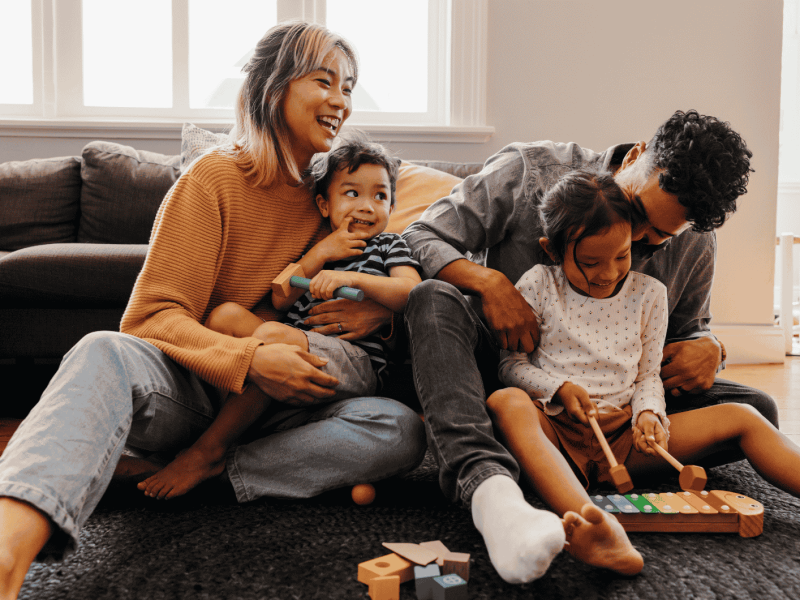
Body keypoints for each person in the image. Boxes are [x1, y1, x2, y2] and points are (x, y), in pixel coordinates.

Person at [0, 21, 427, 600]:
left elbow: (396, 271)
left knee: (399, 430)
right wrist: (249, 358)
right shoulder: (213, 180)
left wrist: (384, 315)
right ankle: (9, 545)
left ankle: (197, 469)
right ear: (274, 87)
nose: (341, 101)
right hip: (197, 388)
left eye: (349, 87)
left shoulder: (336, 198)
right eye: (325, 81)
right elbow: (149, 317)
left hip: (287, 409)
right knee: (103, 350)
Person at [401, 110, 772, 584]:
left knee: (756, 408)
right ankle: (488, 485)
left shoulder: (695, 238)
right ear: (637, 156)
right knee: (432, 298)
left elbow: (685, 335)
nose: (634, 244)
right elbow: (419, 235)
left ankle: (581, 464)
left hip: (615, 403)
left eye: (656, 240)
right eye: (637, 214)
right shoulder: (528, 171)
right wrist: (490, 283)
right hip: (501, 376)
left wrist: (710, 347)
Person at [487, 167, 800, 577]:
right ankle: (592, 523)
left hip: (624, 438)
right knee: (505, 402)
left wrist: (649, 414)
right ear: (552, 250)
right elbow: (512, 366)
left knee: (745, 415)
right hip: (556, 431)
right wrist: (560, 388)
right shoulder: (539, 284)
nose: (608, 273)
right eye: (589, 262)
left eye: (621, 256)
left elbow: (648, 376)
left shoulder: (650, 295)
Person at [137, 137, 422, 500]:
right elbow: (280, 295)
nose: (366, 206)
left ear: (392, 206)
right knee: (226, 316)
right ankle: (224, 442)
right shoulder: (318, 247)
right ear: (324, 203)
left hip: (352, 361)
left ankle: (209, 452)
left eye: (380, 196)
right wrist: (319, 254)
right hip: (292, 350)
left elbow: (411, 292)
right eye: (352, 194)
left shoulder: (389, 245)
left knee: (274, 335)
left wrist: (353, 279)